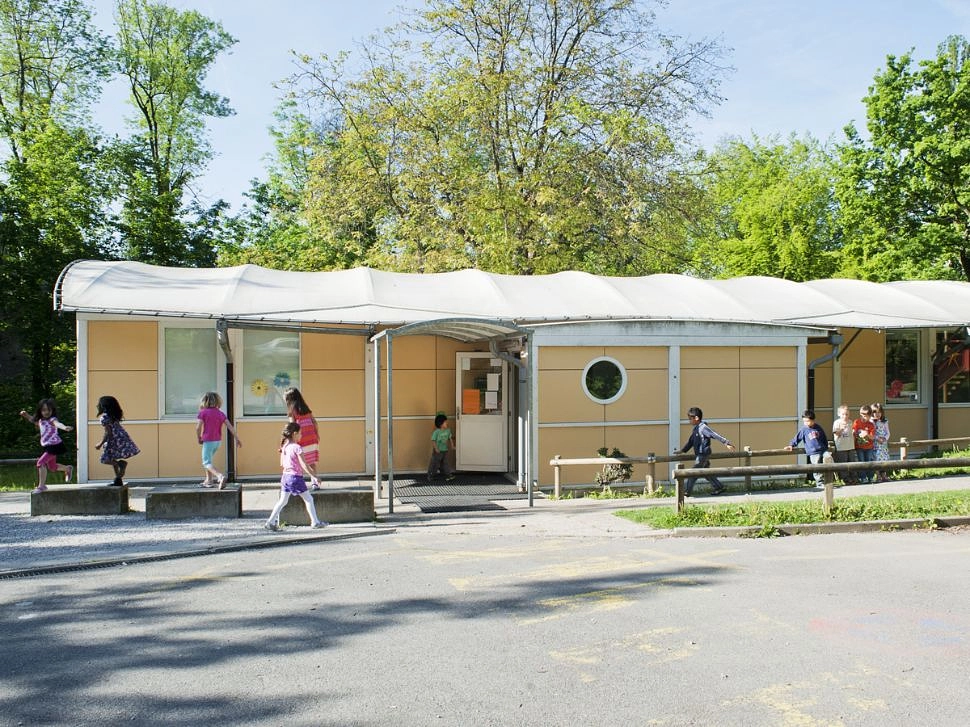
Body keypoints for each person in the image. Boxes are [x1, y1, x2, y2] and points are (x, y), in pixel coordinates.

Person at [264, 422, 327, 531]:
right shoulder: (297, 447)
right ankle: (315, 522)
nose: (301, 436)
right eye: (300, 433)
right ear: (294, 434)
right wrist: (315, 476)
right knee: (309, 499)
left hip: (285, 477)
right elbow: (304, 465)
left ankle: (270, 522)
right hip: (295, 478)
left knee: (283, 501)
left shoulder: (285, 446)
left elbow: (282, 463)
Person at [674, 406, 735, 496]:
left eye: (690, 419)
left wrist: (726, 443)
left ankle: (686, 491)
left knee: (693, 473)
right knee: (706, 473)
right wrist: (682, 451)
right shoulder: (695, 429)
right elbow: (690, 442)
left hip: (703, 455)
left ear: (696, 418)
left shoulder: (703, 428)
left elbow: (714, 434)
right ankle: (719, 487)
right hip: (700, 454)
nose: (689, 421)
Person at [19, 398, 74, 492]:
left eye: (49, 410)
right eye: (44, 410)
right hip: (47, 446)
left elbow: (58, 424)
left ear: (52, 411)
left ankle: (41, 486)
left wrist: (64, 427)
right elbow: (33, 420)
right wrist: (26, 415)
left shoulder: (52, 419)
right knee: (52, 468)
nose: (47, 412)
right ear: (40, 411)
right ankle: (67, 468)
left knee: (40, 463)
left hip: (55, 446)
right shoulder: (40, 420)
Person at [196, 391, 242, 489]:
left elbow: (198, 427)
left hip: (208, 441)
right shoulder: (220, 413)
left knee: (206, 462)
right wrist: (237, 438)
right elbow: (230, 426)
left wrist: (198, 437)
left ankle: (220, 476)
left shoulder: (203, 412)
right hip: (217, 441)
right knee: (209, 461)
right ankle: (208, 480)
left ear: (204, 401)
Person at [94, 395, 140, 487]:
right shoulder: (113, 416)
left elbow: (108, 433)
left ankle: (120, 463)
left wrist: (100, 444)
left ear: (103, 406)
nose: (97, 406)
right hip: (121, 438)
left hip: (114, 440)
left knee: (105, 460)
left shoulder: (104, 418)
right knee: (112, 458)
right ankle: (118, 479)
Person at [785, 409, 829, 489]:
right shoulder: (804, 429)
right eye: (804, 421)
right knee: (817, 468)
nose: (805, 423)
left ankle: (829, 481)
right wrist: (791, 445)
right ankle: (819, 483)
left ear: (813, 420)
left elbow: (824, 438)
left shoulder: (818, 428)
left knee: (829, 459)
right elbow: (797, 438)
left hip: (823, 450)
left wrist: (826, 448)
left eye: (807, 421)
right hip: (813, 452)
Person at [283, 387, 319, 476]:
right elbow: (315, 422)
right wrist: (317, 434)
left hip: (301, 438)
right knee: (311, 462)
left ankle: (299, 481)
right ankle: (315, 481)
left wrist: (288, 441)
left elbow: (293, 427)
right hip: (312, 438)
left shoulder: (292, 411)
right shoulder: (306, 409)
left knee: (299, 461)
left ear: (289, 399)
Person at [831, 404, 858, 485]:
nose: (845, 416)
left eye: (846, 414)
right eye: (843, 414)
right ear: (839, 414)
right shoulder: (837, 422)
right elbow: (836, 434)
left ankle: (854, 478)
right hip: (841, 447)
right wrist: (842, 429)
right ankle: (846, 479)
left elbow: (853, 432)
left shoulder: (850, 422)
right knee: (843, 464)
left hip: (850, 446)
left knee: (852, 463)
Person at [427, 413, 456, 483]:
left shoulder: (448, 430)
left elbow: (450, 438)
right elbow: (433, 440)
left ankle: (448, 475)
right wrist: (436, 448)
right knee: (435, 463)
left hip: (444, 450)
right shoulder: (436, 432)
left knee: (445, 463)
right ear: (441, 424)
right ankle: (431, 475)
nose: (447, 423)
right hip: (437, 451)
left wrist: (452, 446)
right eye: (445, 422)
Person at [852, 404, 876, 484]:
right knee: (861, 462)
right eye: (862, 415)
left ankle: (870, 477)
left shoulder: (871, 425)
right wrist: (855, 433)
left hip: (869, 447)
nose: (863, 417)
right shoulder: (857, 422)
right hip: (859, 447)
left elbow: (872, 437)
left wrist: (867, 434)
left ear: (870, 416)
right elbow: (854, 432)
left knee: (869, 462)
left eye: (866, 416)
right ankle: (863, 477)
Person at [871, 402, 891, 482]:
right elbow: (872, 433)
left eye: (879, 412)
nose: (877, 414)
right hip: (875, 443)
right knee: (876, 459)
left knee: (884, 459)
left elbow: (888, 432)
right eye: (875, 412)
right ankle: (878, 475)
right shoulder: (872, 421)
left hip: (883, 443)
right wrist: (877, 438)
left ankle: (884, 475)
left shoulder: (885, 421)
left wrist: (885, 438)